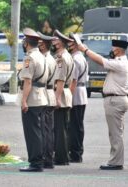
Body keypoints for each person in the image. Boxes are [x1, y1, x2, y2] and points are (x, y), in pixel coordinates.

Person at [77, 37, 128, 170]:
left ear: (118, 50)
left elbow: (100, 60)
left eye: (113, 48)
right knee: (116, 132)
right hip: (115, 100)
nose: (111, 50)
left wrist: (85, 50)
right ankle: (116, 160)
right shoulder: (119, 61)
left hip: (115, 100)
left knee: (115, 133)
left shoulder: (121, 63)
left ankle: (116, 162)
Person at [18, 28, 48, 172]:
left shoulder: (29, 58)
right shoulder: (42, 56)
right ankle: (39, 160)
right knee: (39, 131)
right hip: (41, 96)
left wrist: (24, 101)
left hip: (32, 98)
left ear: (26, 43)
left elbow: (28, 82)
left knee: (32, 132)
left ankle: (35, 163)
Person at [52, 29, 74, 166]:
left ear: (60, 43)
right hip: (65, 93)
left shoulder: (61, 58)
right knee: (63, 128)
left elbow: (60, 80)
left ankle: (61, 157)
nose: (53, 42)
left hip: (61, 93)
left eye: (55, 40)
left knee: (59, 129)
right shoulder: (67, 56)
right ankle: (63, 156)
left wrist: (57, 98)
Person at [67, 33, 88, 163]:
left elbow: (73, 81)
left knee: (74, 126)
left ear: (74, 45)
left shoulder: (75, 59)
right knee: (78, 125)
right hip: (81, 92)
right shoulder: (81, 57)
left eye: (70, 43)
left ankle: (75, 153)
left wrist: (68, 97)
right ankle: (77, 152)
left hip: (76, 93)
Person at [37, 31, 56, 169]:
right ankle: (48, 156)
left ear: (44, 45)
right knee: (48, 128)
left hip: (46, 92)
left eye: (40, 44)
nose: (38, 46)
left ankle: (46, 157)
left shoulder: (46, 60)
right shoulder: (51, 58)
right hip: (49, 92)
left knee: (45, 128)